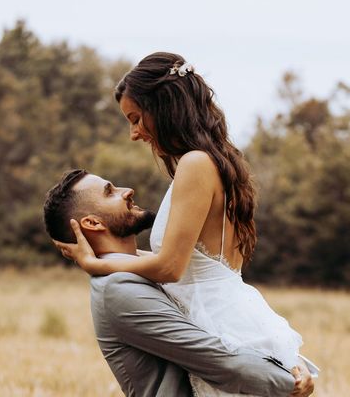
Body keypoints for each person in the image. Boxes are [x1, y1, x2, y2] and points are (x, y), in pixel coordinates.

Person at [55, 52, 320, 396]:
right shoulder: (215, 161)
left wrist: (96, 263)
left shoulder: (195, 165)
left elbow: (170, 266)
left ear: (162, 107)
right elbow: (181, 263)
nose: (134, 133)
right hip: (231, 317)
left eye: (135, 118)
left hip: (219, 324)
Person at [43, 169, 316, 396]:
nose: (127, 191)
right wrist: (289, 381)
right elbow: (216, 358)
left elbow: (220, 324)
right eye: (109, 191)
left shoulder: (144, 267)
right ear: (92, 222)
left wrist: (292, 362)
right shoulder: (118, 289)